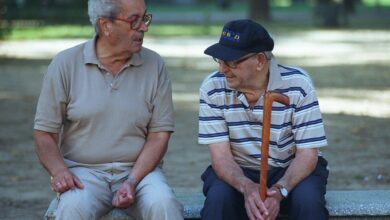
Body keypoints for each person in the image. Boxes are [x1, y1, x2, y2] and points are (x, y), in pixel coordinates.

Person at [34, 0, 183, 219]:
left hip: (140, 173)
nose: (144, 27)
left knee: (164, 204)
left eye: (145, 18)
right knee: (72, 208)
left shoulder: (154, 65)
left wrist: (132, 181)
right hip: (83, 173)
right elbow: (44, 133)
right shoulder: (65, 64)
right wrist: (59, 171)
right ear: (105, 25)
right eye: (134, 21)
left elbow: (159, 135)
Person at [198, 19, 329, 220]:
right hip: (238, 168)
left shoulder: (298, 85)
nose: (222, 69)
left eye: (231, 61)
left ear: (260, 61)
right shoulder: (212, 87)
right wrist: (246, 186)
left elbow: (307, 154)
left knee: (308, 201)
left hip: (290, 168)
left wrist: (280, 190)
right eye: (219, 59)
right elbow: (221, 157)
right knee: (219, 199)